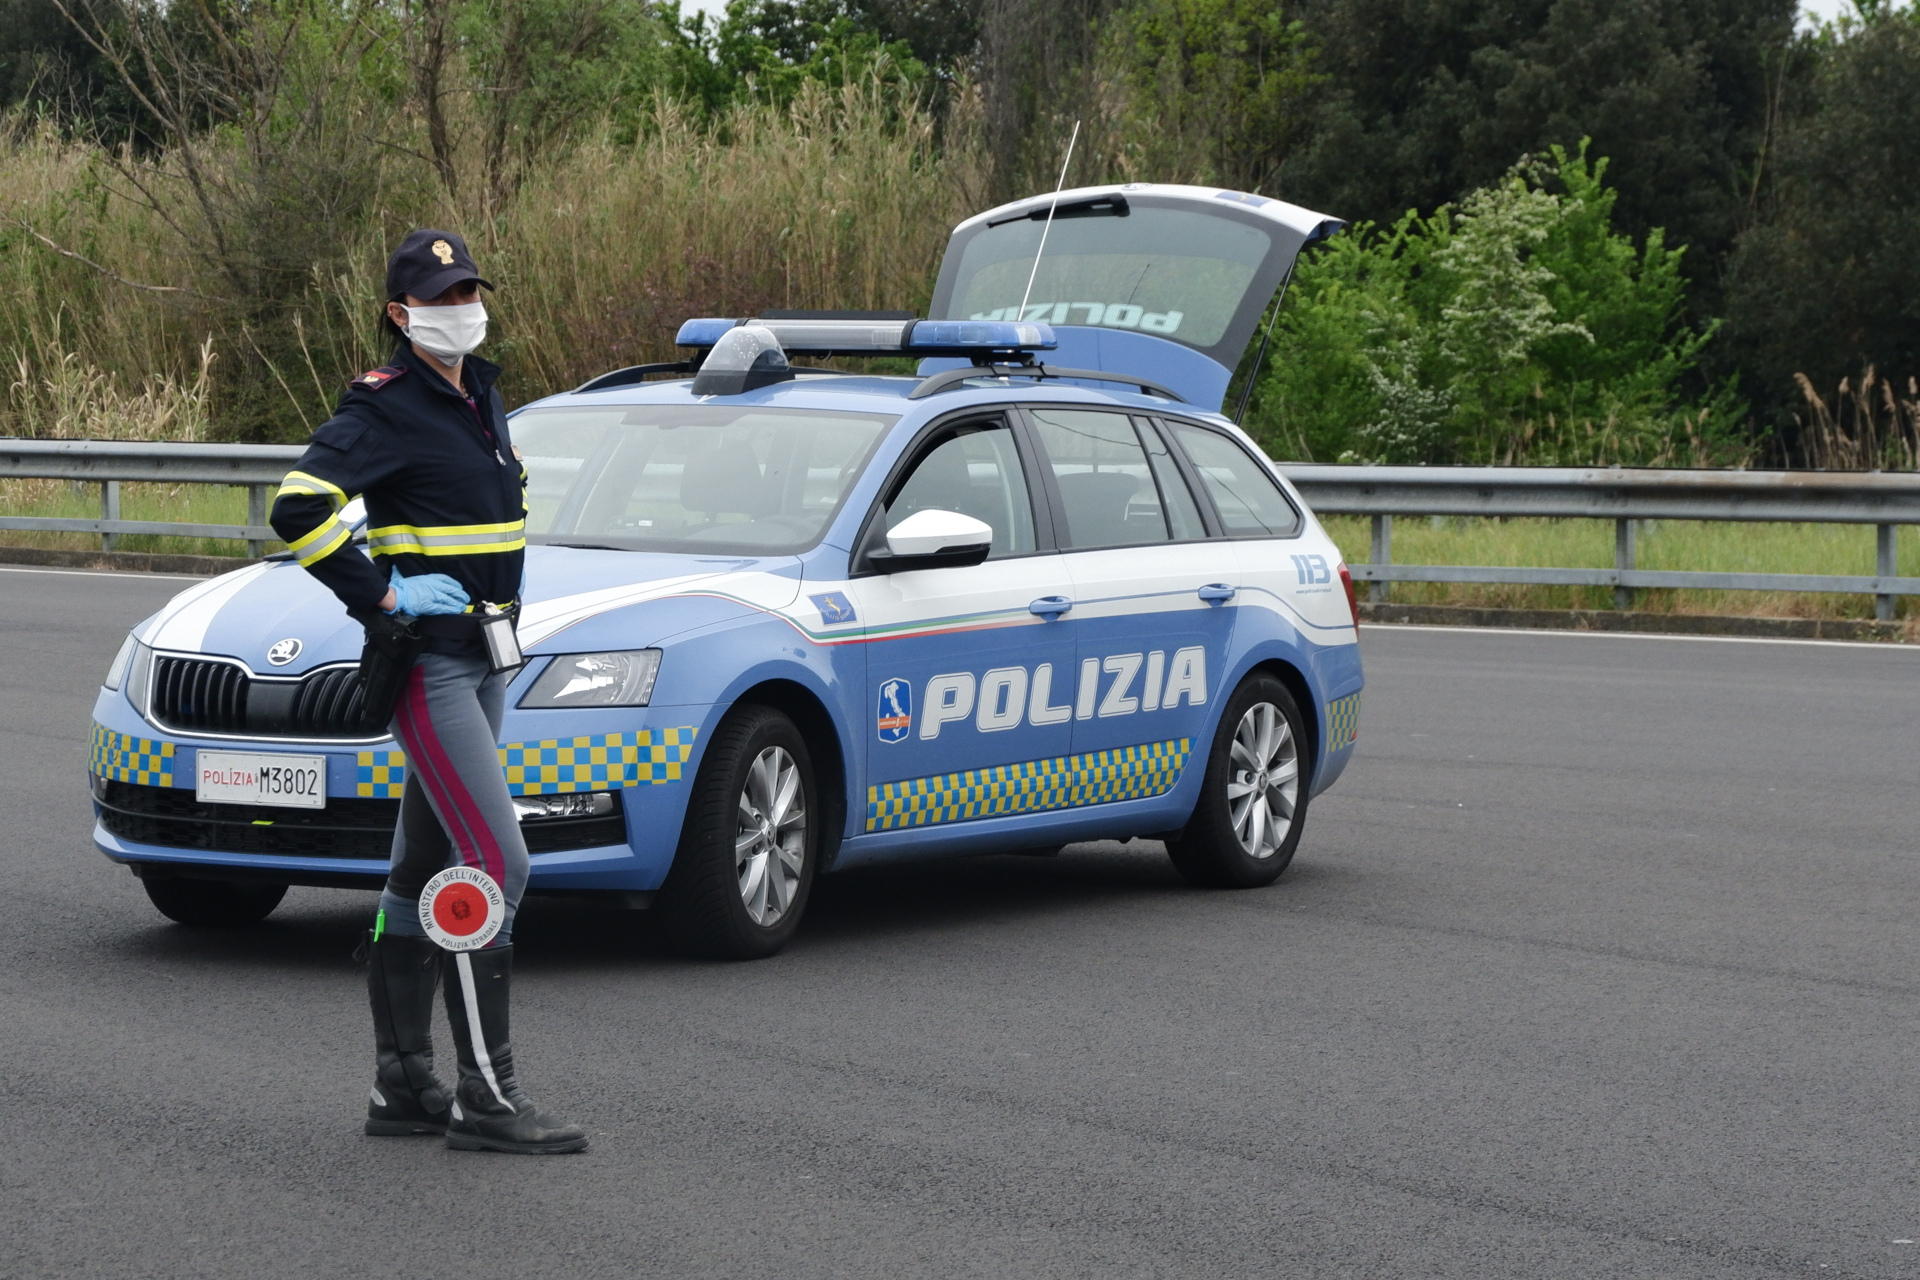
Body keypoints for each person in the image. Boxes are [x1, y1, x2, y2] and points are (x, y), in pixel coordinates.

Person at [270, 229, 586, 1155]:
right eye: (443, 298)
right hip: (431, 665)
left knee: (418, 869)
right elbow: (299, 507)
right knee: (498, 860)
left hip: (486, 656)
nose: (463, 307)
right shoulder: (388, 404)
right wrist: (384, 591)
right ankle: (489, 1099)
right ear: (402, 317)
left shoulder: (480, 391)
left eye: (469, 290)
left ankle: (402, 1087)